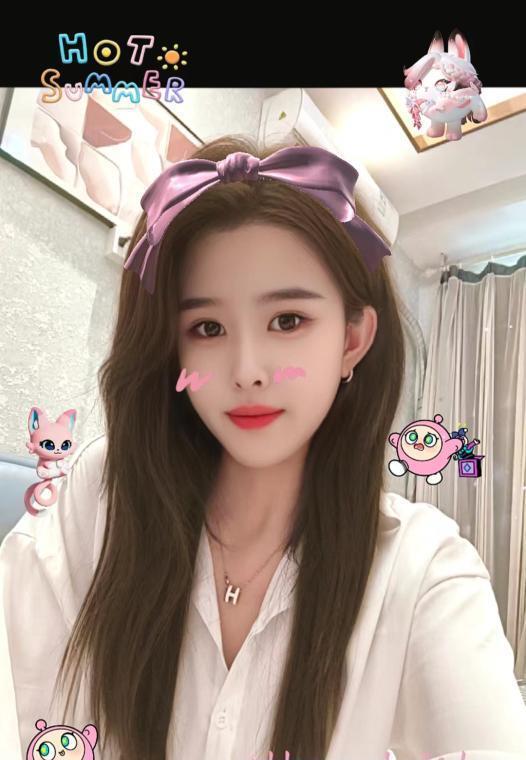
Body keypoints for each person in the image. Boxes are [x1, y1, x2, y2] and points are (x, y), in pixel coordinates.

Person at [1, 136, 526, 760]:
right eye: (207, 328)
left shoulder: (422, 568)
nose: (247, 371)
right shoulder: (104, 492)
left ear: (352, 340)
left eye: (287, 321)